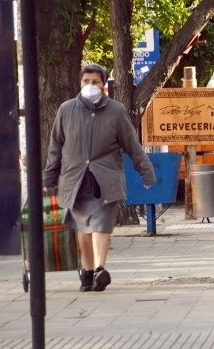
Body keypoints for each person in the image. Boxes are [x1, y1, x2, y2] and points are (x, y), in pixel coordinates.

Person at [42, 63, 155, 292]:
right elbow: (55, 146)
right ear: (80, 83)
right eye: (86, 81)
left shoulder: (116, 111)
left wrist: (146, 172)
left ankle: (101, 268)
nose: (90, 85)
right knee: (83, 228)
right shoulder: (66, 110)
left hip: (105, 180)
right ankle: (88, 271)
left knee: (101, 225)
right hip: (75, 180)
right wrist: (49, 178)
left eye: (95, 82)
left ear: (103, 85)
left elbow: (132, 145)